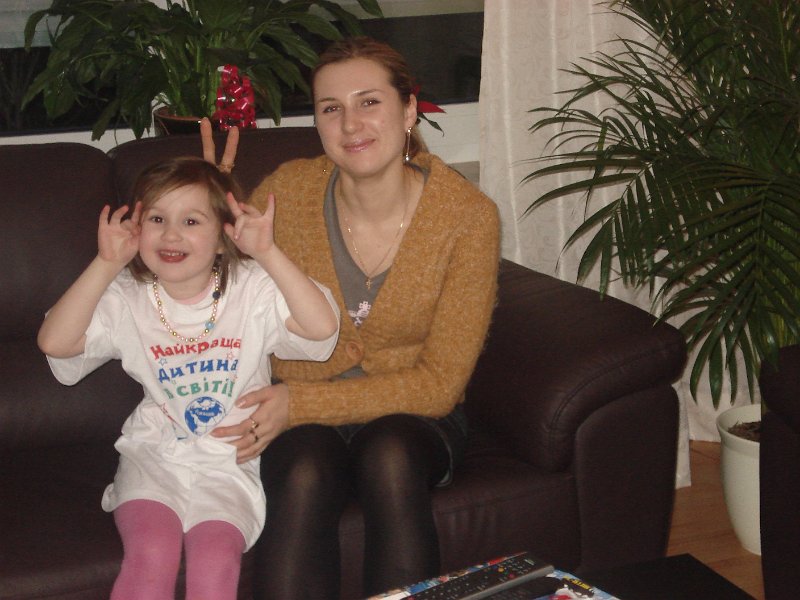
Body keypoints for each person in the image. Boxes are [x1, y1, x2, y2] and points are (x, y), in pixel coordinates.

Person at [208, 36, 501, 599]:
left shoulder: (467, 218)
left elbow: (440, 384)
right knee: (302, 470)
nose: (350, 124)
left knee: (390, 455)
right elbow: (209, 286)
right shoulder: (285, 194)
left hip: (411, 414)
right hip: (300, 409)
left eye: (369, 102)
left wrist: (301, 404)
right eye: (330, 108)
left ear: (409, 110)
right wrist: (203, 200)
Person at [37, 157, 339, 600]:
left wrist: (267, 253)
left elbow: (322, 328)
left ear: (222, 237)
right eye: (157, 219)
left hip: (231, 462)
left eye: (191, 221)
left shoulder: (252, 287)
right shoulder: (127, 295)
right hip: (155, 456)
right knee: (152, 551)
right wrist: (105, 263)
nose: (171, 235)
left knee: (215, 559)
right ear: (137, 228)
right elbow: (55, 342)